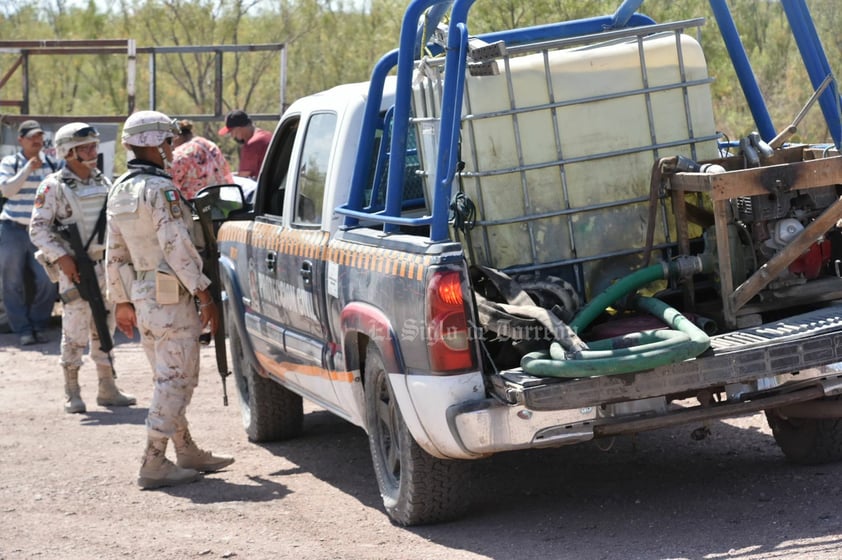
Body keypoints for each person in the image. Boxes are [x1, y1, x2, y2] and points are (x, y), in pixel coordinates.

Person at [105, 110, 234, 489]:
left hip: (144, 298)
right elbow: (176, 245)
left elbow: (115, 252)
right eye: (167, 142)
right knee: (177, 380)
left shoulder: (121, 189)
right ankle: (154, 461)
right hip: (172, 298)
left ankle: (187, 450)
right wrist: (204, 292)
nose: (171, 149)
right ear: (155, 143)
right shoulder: (160, 190)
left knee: (167, 377)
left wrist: (121, 301)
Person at [29, 122, 136, 414]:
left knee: (106, 326)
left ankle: (107, 387)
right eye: (85, 147)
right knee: (74, 328)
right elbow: (38, 229)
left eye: (93, 145)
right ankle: (72, 390)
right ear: (68, 151)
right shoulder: (54, 186)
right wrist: (62, 257)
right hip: (75, 268)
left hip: (105, 266)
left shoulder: (103, 182)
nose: (92, 151)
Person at [0, 120, 59, 346]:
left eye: (40, 137)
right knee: (10, 282)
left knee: (47, 280)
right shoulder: (10, 162)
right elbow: (7, 190)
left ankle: (38, 325)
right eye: (32, 137)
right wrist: (27, 169)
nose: (37, 141)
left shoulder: (53, 165)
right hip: (12, 229)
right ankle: (23, 330)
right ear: (21, 140)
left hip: (41, 232)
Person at [170, 119, 235, 200]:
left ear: (177, 137)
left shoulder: (180, 155)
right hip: (216, 202)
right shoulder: (211, 146)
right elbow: (226, 174)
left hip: (193, 206)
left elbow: (171, 187)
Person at [217, 109, 272, 179]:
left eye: (232, 132)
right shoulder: (269, 135)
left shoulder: (252, 145)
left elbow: (243, 177)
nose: (232, 136)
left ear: (239, 128)